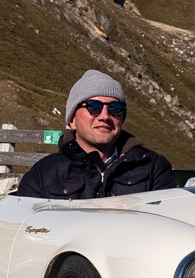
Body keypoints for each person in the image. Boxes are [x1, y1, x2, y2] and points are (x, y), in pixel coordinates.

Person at [15, 70, 180, 199]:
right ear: (72, 119)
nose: (105, 116)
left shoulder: (153, 167)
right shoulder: (43, 174)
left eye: (115, 108)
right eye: (94, 106)